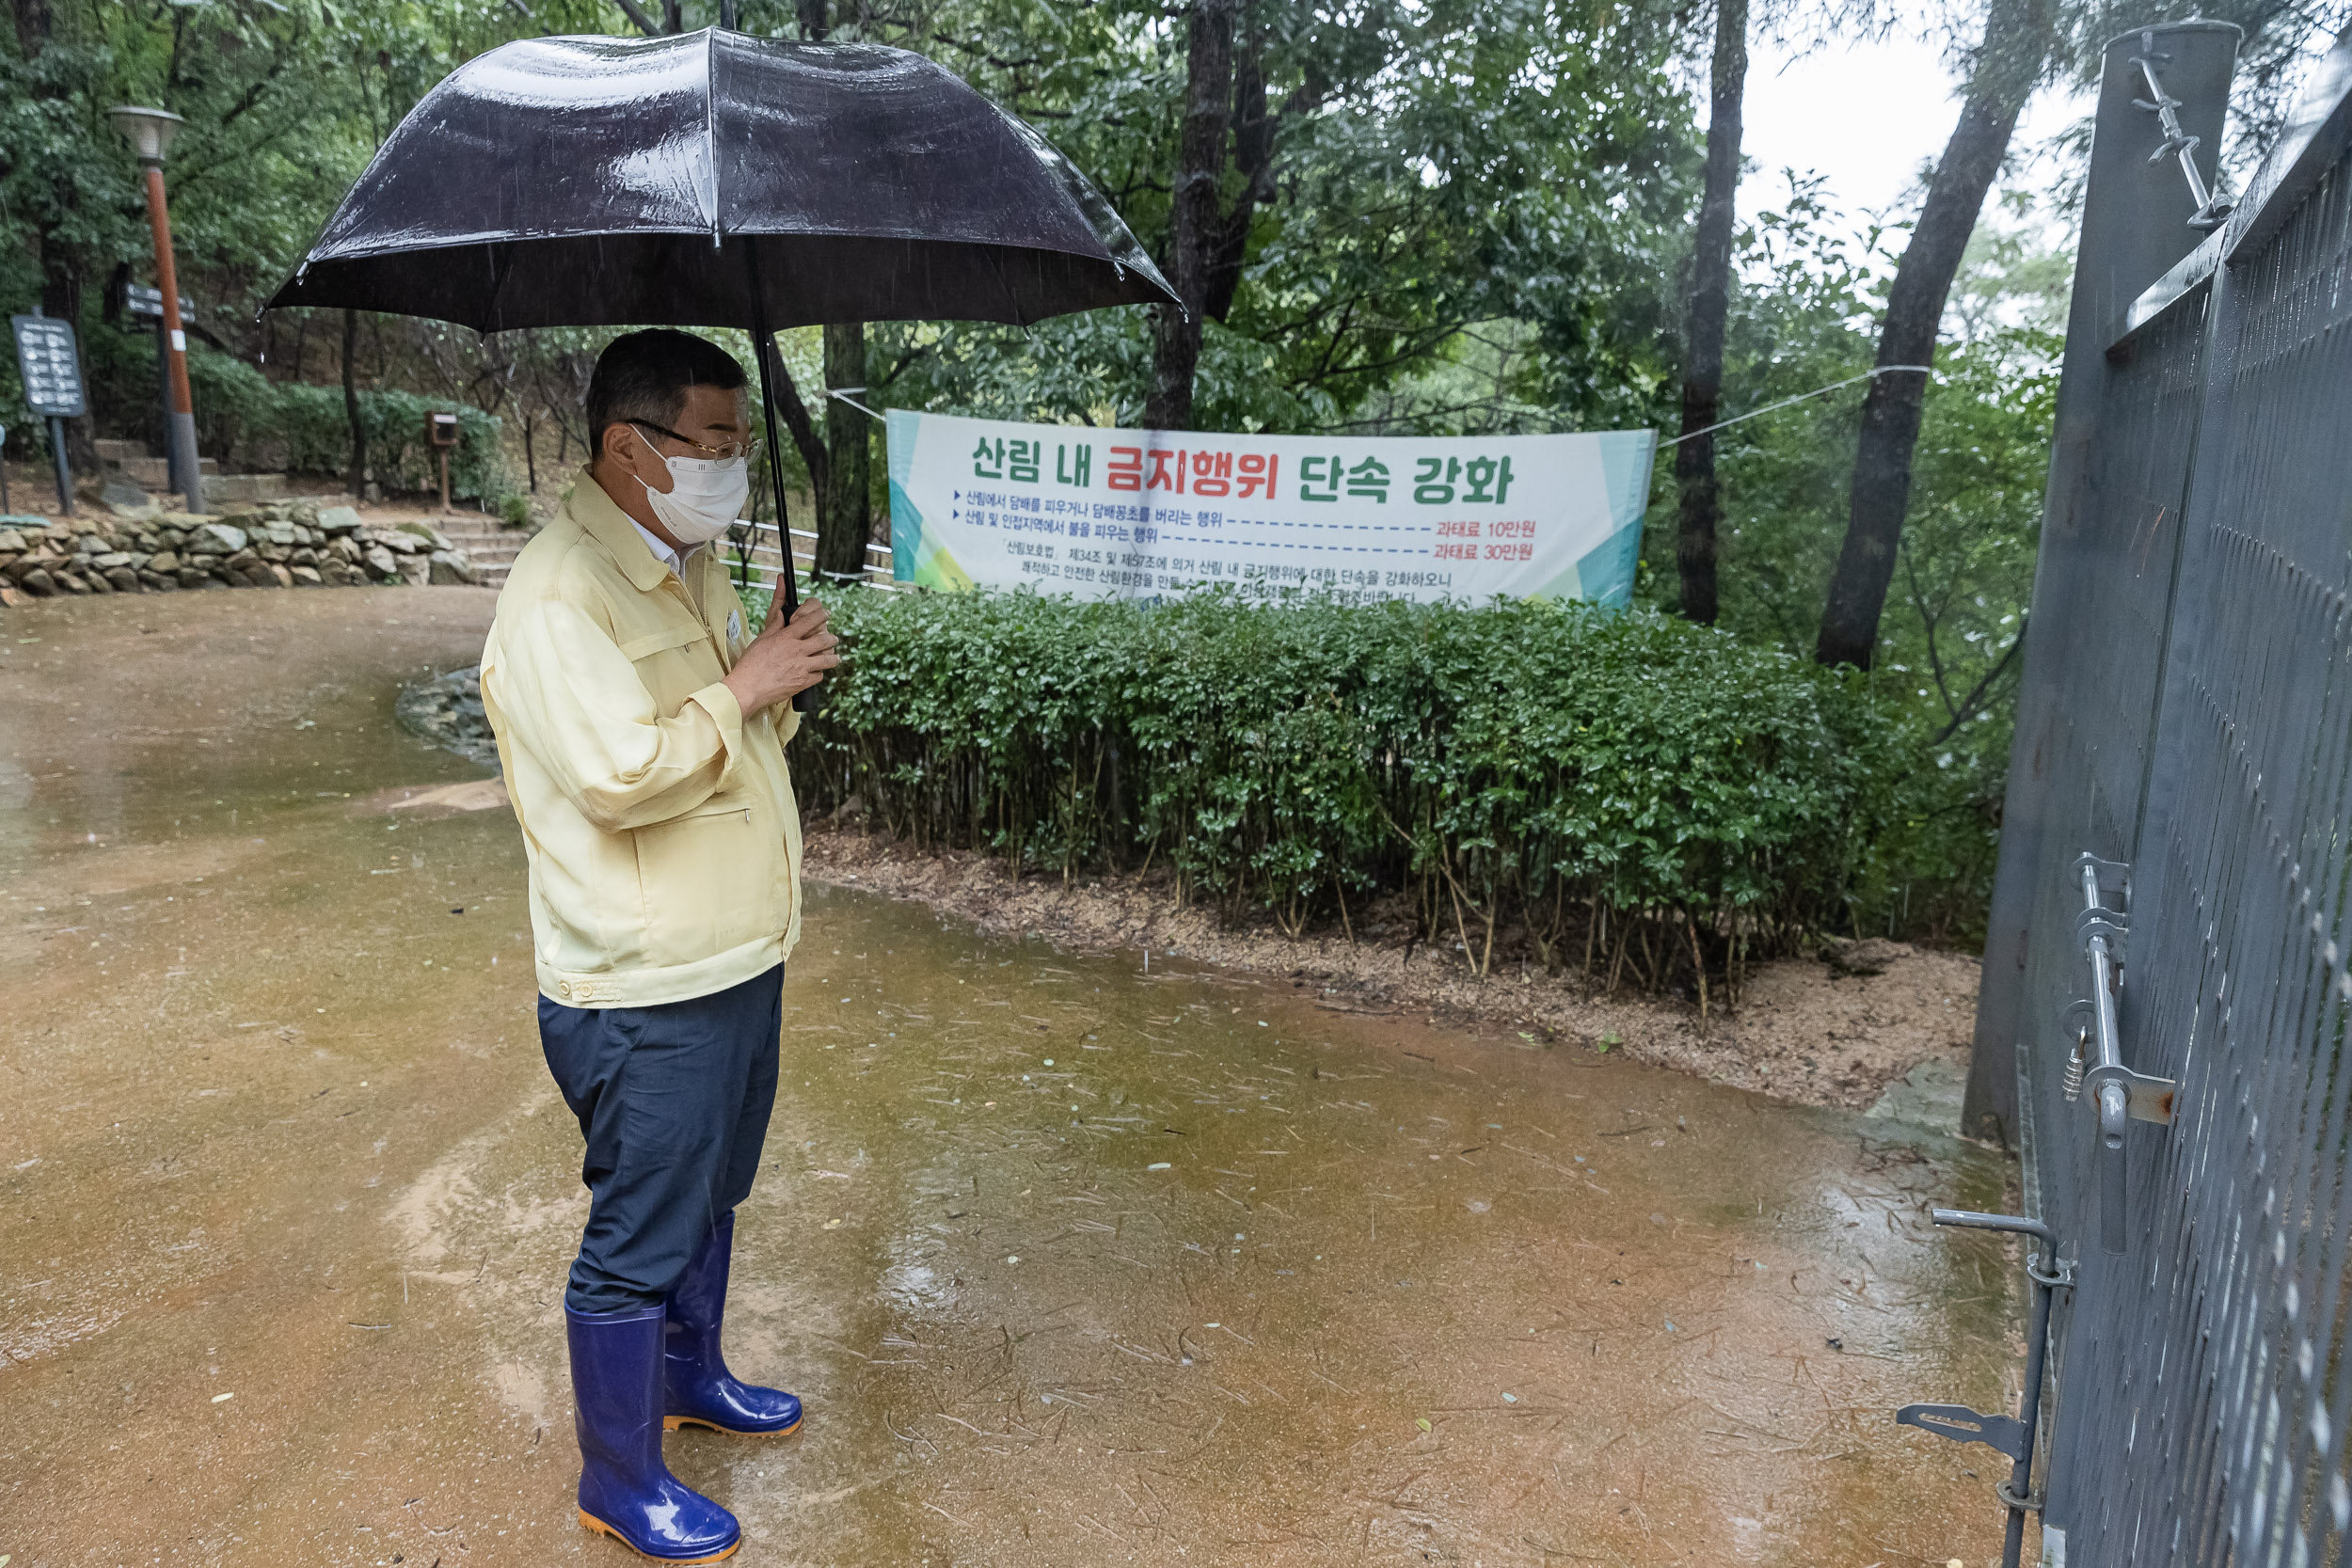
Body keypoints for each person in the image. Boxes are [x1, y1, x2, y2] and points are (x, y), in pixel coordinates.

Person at [479, 328, 840, 1564]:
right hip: (645, 988)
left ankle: (694, 1381)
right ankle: (618, 1477)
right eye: (719, 442)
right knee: (637, 1235)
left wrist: (770, 684)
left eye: (745, 443)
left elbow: (727, 754)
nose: (737, 467)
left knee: (712, 1191)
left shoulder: (686, 567)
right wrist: (740, 689)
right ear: (628, 448)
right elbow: (619, 777)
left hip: (737, 959)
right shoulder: (557, 595)